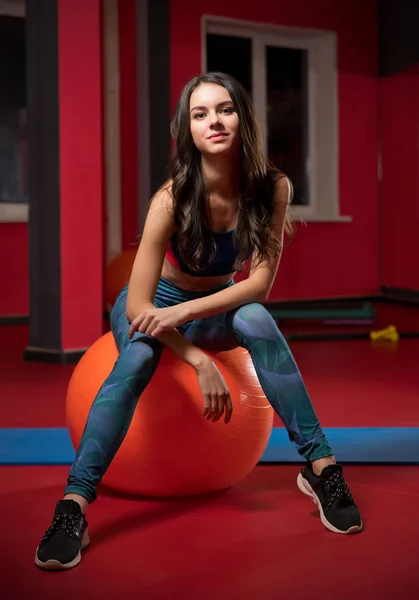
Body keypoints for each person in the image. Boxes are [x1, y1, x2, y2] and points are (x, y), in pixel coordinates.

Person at [35, 72, 362, 571]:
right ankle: (73, 506)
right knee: (140, 354)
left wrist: (186, 315)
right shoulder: (170, 199)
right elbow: (138, 307)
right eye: (200, 113)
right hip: (152, 308)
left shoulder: (273, 187)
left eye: (225, 109)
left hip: (205, 308)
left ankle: (322, 467)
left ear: (242, 118)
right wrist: (196, 361)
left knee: (255, 318)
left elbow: (257, 286)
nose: (214, 121)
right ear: (187, 129)